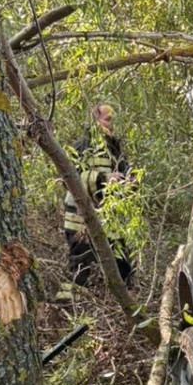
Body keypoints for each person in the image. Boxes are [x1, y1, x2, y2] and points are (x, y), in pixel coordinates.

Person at [58, 103, 134, 300]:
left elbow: (124, 170)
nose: (111, 124)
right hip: (80, 219)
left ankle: (125, 307)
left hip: (109, 218)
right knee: (80, 266)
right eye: (107, 120)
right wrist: (103, 180)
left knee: (122, 262)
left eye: (112, 120)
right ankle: (66, 311)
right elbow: (69, 179)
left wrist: (130, 180)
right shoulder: (82, 146)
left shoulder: (113, 146)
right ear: (95, 120)